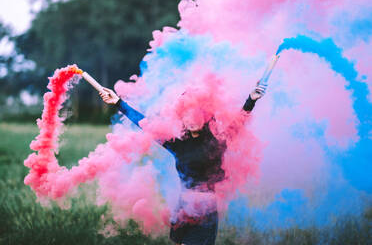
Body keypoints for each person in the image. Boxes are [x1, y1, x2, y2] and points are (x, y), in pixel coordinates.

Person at [99, 84, 265, 245]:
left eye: (196, 115)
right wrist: (119, 103)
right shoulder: (177, 143)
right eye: (186, 115)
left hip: (204, 211)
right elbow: (146, 125)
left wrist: (251, 100)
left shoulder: (217, 143)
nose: (191, 120)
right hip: (182, 208)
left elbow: (237, 125)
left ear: (206, 116)